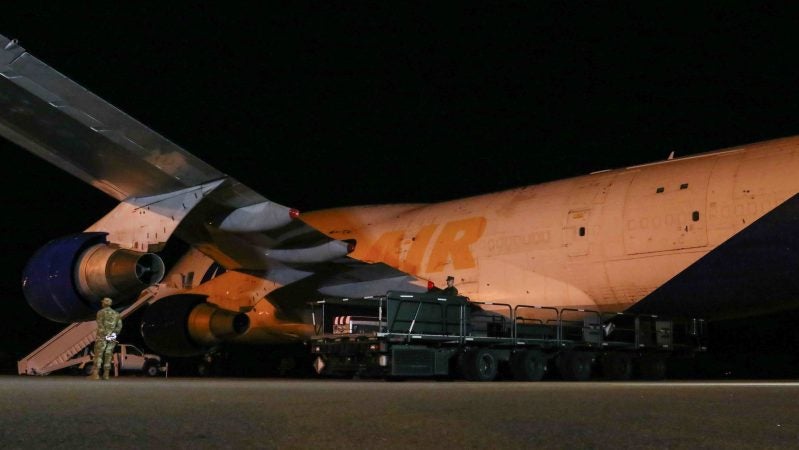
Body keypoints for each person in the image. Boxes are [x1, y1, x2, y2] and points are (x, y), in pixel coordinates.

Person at [88, 297, 122, 380]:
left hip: (102, 336)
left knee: (99, 354)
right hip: (112, 337)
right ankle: (106, 375)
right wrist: (113, 334)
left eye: (102, 302)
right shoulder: (116, 314)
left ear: (104, 303)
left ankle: (96, 374)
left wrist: (106, 334)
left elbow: (100, 325)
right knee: (108, 355)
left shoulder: (100, 312)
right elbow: (119, 326)